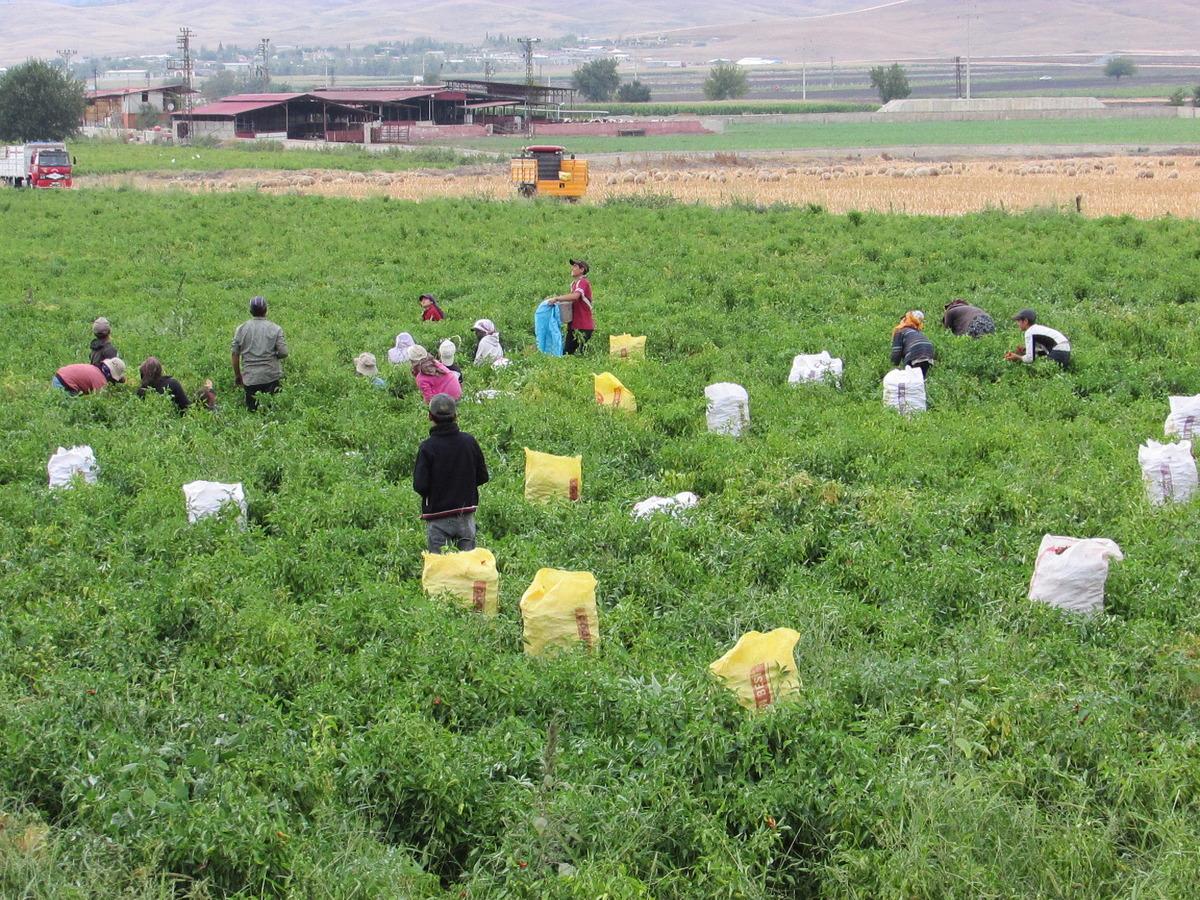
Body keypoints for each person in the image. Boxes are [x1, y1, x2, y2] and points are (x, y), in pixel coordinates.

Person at [412, 393, 489, 553]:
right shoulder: (469, 442)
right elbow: (482, 476)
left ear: (429, 416)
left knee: (441, 567)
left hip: (437, 516)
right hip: (466, 514)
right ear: (456, 416)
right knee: (468, 565)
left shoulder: (427, 447)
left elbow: (420, 485)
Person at [231, 295, 288, 411]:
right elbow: (284, 353)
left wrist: (238, 375)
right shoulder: (275, 328)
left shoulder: (241, 329)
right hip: (271, 377)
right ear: (266, 310)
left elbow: (235, 354)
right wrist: (274, 355)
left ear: (250, 311)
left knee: (253, 412)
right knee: (272, 411)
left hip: (250, 379)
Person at [544, 259, 594, 354]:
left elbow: (575, 297)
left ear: (582, 270)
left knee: (571, 354)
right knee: (568, 354)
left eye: (575, 266)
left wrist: (557, 298)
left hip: (583, 327)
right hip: (574, 327)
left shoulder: (582, 282)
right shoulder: (574, 284)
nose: (572, 268)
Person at [1006, 308, 1071, 368]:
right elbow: (1041, 351)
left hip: (1058, 350)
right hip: (1065, 351)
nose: (1017, 324)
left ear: (1025, 321)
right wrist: (1025, 350)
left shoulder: (1029, 332)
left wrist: (1017, 357)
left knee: (1039, 374)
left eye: (1018, 321)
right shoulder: (1037, 329)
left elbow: (1030, 359)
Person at [890, 310, 935, 379]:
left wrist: (893, 367)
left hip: (915, 351)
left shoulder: (899, 331)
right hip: (929, 350)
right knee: (921, 379)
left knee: (909, 378)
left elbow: (896, 353)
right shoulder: (917, 332)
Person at [52, 358, 126, 395]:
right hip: (65, 384)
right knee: (72, 408)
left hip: (59, 377)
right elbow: (98, 400)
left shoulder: (95, 369)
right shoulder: (100, 381)